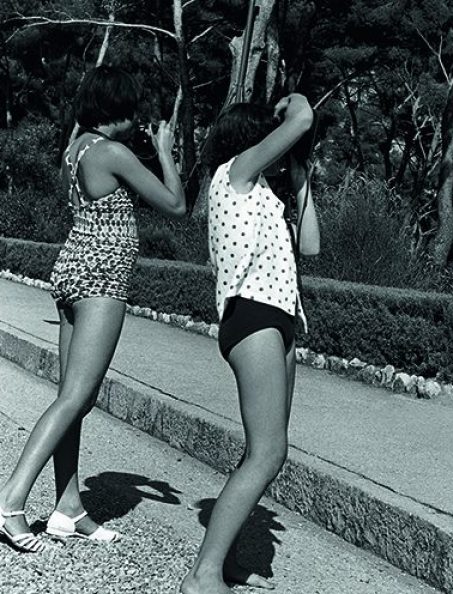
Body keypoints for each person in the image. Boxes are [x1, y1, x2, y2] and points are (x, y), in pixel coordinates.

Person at [0, 65, 186, 553]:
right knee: (75, 398)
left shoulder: (75, 147)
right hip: (102, 276)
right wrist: (165, 152)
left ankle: (69, 507)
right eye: (132, 109)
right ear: (117, 110)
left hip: (71, 269)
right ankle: (11, 499)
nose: (137, 118)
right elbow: (175, 204)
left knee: (72, 397)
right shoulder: (112, 152)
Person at [180, 93, 318, 594]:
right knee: (267, 453)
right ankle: (202, 575)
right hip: (252, 316)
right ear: (252, 138)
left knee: (265, 451)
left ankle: (227, 561)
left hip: (281, 320)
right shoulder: (231, 175)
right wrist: (293, 103)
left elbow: (313, 245)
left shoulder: (262, 194)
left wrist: (301, 175)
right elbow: (302, 117)